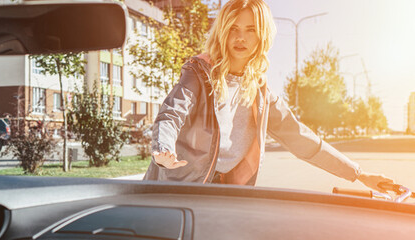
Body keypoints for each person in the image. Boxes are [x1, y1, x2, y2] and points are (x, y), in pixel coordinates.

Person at [145, 0, 394, 191]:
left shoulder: (260, 92)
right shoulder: (199, 73)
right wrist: (162, 150)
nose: (241, 37)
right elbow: (172, 112)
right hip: (181, 186)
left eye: (250, 29)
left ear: (262, 36)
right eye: (233, 28)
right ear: (222, 31)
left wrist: (359, 175)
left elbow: (301, 138)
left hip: (229, 191)